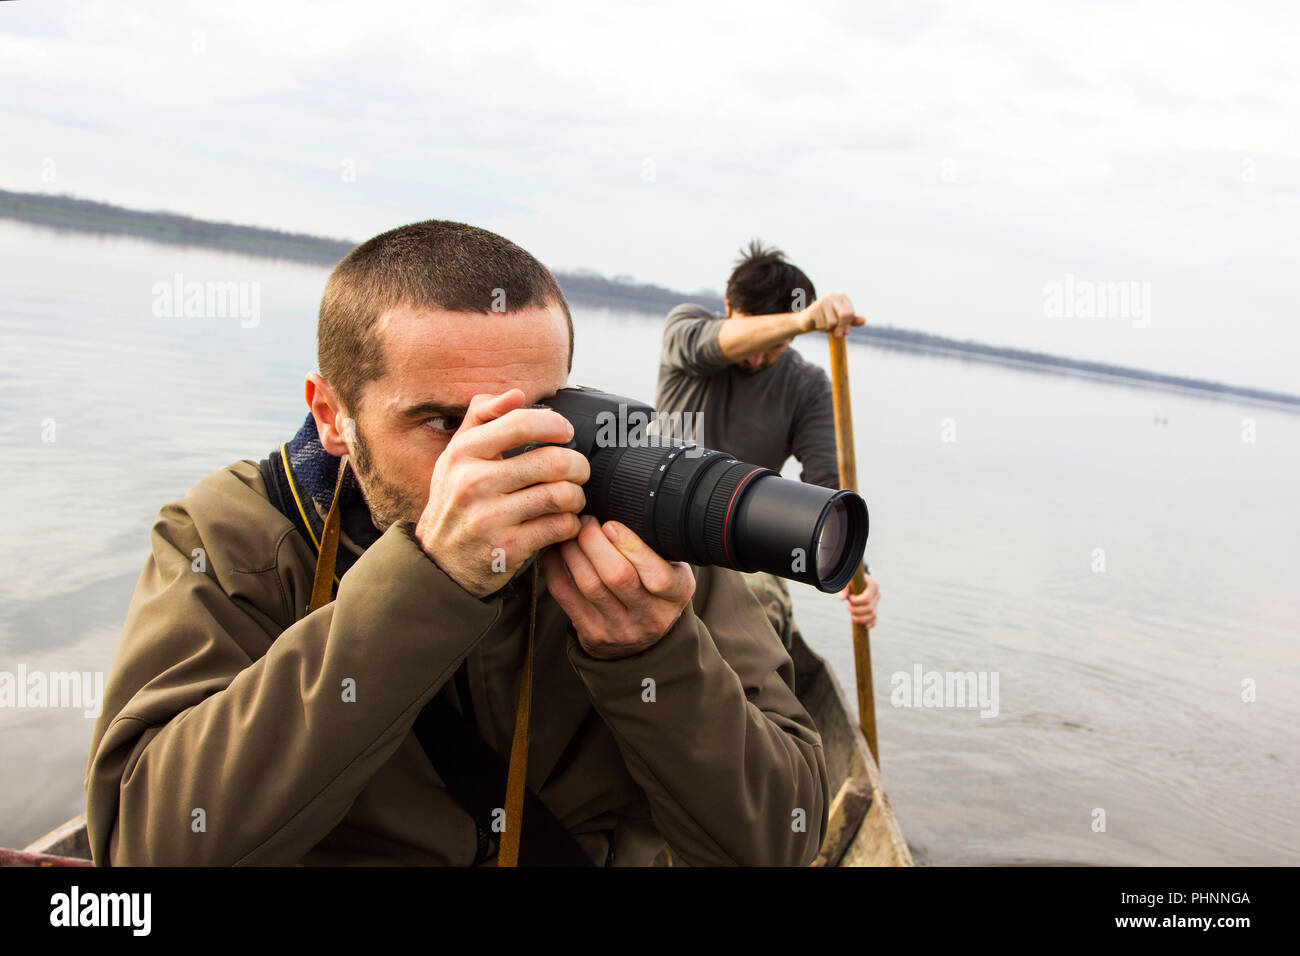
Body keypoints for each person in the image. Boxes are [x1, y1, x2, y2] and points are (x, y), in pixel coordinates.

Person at [84, 221, 828, 867]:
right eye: (444, 423)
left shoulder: (639, 541)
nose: (498, 460)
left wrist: (651, 654)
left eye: (540, 412)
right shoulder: (235, 535)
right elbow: (148, 845)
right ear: (332, 417)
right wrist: (429, 582)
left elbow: (776, 844)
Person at [655, 241, 882, 647]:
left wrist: (853, 570)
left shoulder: (808, 387)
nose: (758, 360)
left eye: (775, 348)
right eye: (761, 338)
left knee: (754, 630)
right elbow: (707, 346)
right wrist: (798, 323)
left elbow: (826, 485)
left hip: (740, 547)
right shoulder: (685, 328)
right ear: (728, 305)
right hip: (658, 526)